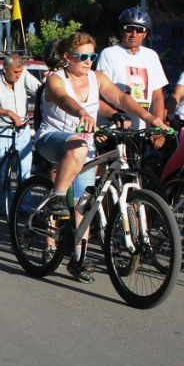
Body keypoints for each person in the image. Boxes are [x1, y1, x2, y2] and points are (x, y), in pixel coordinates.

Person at [35, 32, 166, 283]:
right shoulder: (56, 80)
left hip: (83, 144)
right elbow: (64, 100)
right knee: (78, 146)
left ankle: (78, 259)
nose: (87, 61)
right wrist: (82, 112)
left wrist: (150, 118)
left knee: (82, 207)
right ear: (66, 57)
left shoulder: (96, 78)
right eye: (81, 56)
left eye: (91, 56)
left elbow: (120, 98)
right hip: (53, 138)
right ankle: (57, 198)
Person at [0, 54, 40, 212]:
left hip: (22, 130)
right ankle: (4, 205)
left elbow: (39, 90)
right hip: (2, 130)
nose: (18, 75)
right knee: (3, 170)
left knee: (24, 170)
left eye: (20, 72)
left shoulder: (24, 75)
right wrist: (7, 112)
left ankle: (24, 206)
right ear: (5, 69)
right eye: (15, 72)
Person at [97, 8, 169, 137]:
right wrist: (114, 117)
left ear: (145, 34)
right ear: (121, 30)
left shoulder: (151, 56)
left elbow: (157, 95)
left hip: (143, 129)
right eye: (129, 29)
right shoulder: (109, 53)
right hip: (116, 127)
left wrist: (159, 130)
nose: (134, 34)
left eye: (139, 30)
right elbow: (102, 92)